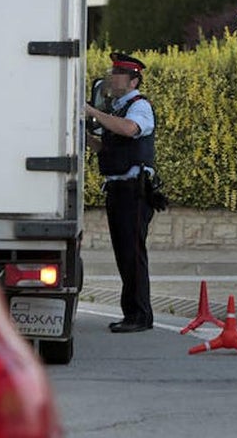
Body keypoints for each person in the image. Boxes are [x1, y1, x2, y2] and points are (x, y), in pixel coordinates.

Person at [85, 52, 156, 333]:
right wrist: (86, 137)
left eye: (119, 74)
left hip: (133, 191)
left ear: (133, 80)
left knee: (132, 254)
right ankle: (133, 313)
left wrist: (92, 113)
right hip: (119, 190)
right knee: (124, 254)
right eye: (112, 72)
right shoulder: (116, 108)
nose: (112, 78)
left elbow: (130, 130)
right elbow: (108, 148)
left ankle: (139, 315)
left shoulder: (138, 107)